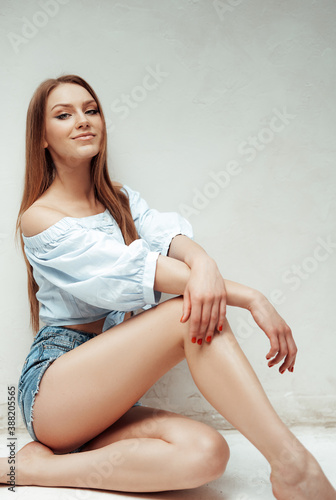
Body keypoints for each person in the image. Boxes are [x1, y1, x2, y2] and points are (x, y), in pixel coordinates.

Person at [0, 74, 334, 499]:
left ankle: (35, 470)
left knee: (207, 453)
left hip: (104, 399)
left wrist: (203, 261)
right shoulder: (40, 217)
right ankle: (294, 467)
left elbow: (168, 239)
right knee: (187, 310)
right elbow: (139, 269)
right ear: (42, 137)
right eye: (64, 115)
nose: (83, 121)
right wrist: (251, 296)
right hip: (54, 389)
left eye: (91, 110)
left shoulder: (119, 201)